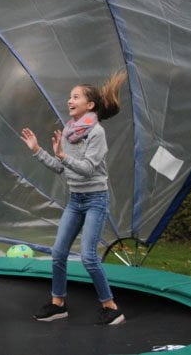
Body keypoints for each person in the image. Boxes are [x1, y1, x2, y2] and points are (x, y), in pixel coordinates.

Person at [20, 72, 127, 325]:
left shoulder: (96, 133)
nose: (70, 100)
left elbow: (89, 168)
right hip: (76, 200)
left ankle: (111, 307)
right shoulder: (69, 131)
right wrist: (38, 151)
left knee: (88, 256)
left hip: (95, 200)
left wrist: (63, 156)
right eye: (70, 97)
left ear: (89, 105)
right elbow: (61, 169)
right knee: (58, 252)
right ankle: (58, 304)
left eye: (75, 97)